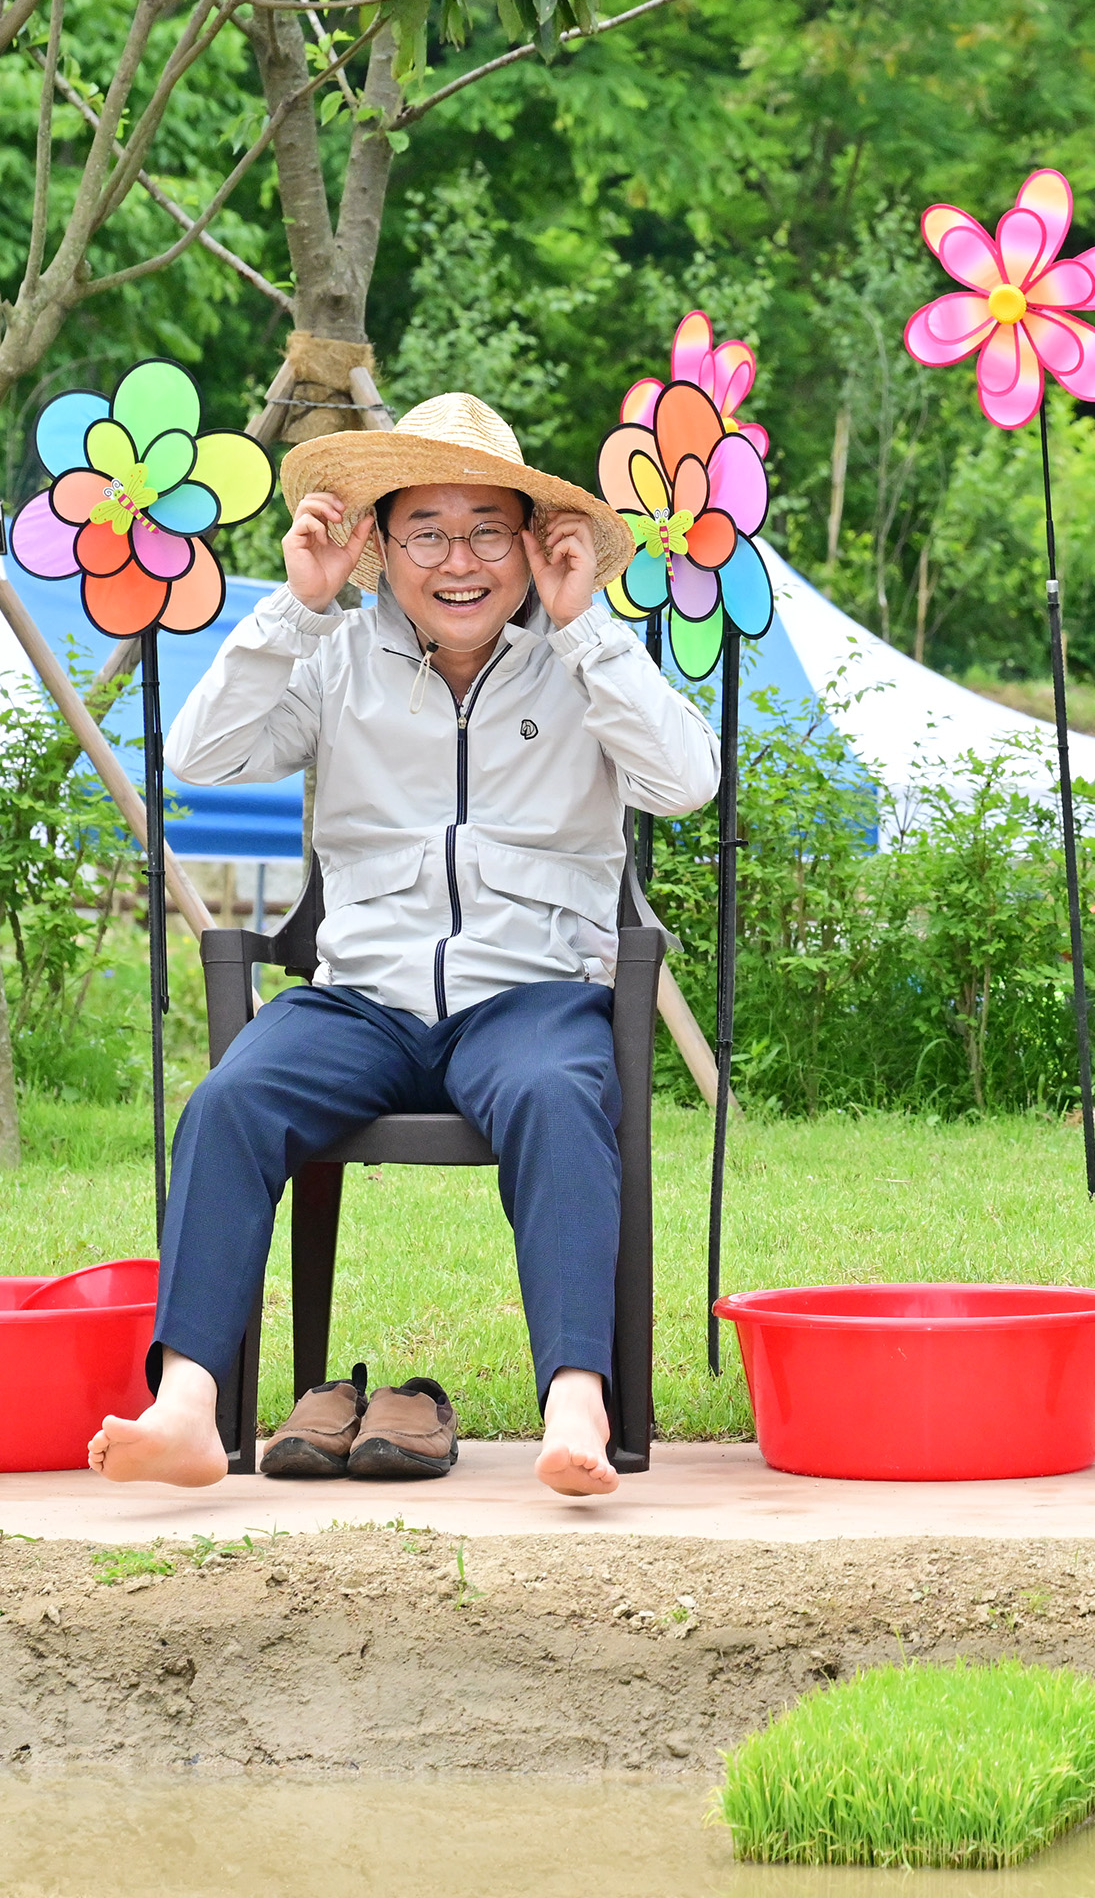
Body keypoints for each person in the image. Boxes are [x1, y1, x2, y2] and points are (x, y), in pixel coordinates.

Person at [86, 393, 720, 1497]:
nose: (459, 560)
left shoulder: (583, 660)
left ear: (536, 545)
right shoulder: (337, 657)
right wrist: (298, 606)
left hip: (529, 997)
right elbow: (201, 755)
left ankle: (576, 1397)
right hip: (363, 1001)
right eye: (427, 529)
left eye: (488, 529)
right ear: (380, 544)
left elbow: (688, 781)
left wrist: (590, 627)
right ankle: (187, 1402)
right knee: (230, 1100)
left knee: (559, 1098)